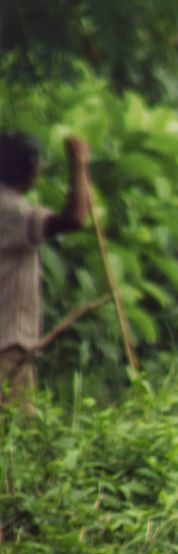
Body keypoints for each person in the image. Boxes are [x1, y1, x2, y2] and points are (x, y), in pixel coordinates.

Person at [1, 133, 90, 406]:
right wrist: (79, 166)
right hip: (7, 342)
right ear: (28, 170)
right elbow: (74, 219)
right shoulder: (12, 210)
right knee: (16, 432)